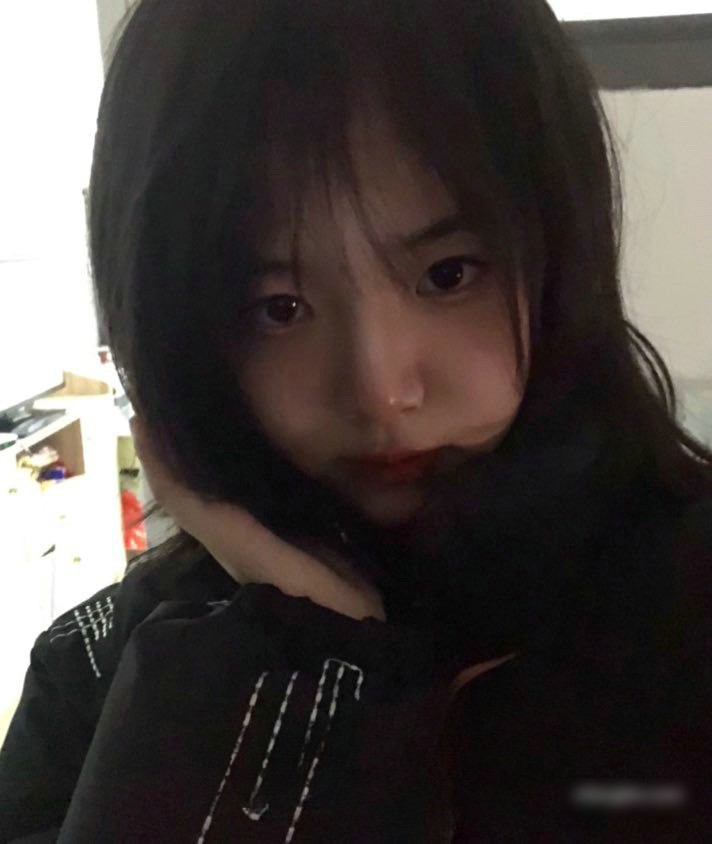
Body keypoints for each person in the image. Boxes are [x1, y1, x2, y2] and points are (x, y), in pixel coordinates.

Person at [1, 0, 710, 840]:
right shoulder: (93, 673)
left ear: (559, 254)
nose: (380, 390)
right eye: (280, 307)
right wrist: (295, 659)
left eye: (448, 274)